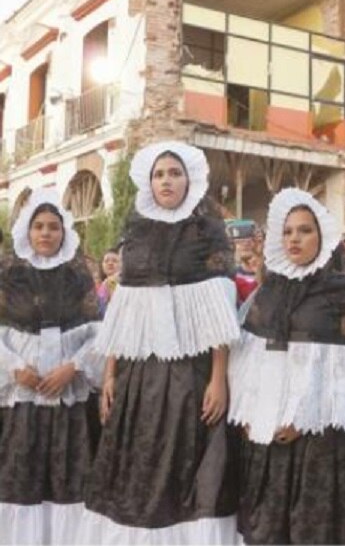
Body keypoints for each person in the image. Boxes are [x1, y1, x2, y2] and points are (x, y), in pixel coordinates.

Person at [83, 141, 240, 542]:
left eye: (174, 173)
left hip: (192, 374)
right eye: (158, 174)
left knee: (185, 469)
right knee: (137, 462)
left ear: (190, 180)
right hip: (140, 372)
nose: (166, 181)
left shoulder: (207, 232)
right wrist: (111, 373)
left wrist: (218, 379)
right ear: (148, 183)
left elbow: (219, 311)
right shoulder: (137, 233)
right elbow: (126, 309)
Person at [229, 188, 345, 544]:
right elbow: (249, 361)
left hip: (321, 441)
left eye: (305, 230)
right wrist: (250, 415)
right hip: (268, 434)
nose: (295, 238)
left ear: (322, 236)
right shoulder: (268, 294)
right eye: (288, 231)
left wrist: (304, 417)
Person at [0, 189, 102, 543]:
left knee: (67, 478)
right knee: (20, 478)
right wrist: (14, 368)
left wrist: (72, 367)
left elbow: (98, 334)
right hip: (22, 399)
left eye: (54, 227)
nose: (46, 233)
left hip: (67, 400)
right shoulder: (9, 275)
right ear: (27, 232)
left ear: (64, 232)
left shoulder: (78, 278)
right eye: (39, 226)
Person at [96, 247, 121, 317]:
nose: (110, 263)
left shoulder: (125, 287)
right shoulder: (97, 288)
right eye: (106, 261)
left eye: (115, 261)